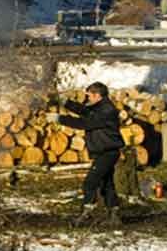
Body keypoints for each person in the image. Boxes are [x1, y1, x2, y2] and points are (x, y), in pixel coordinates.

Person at [46, 82, 123, 224]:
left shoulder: (107, 111)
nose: (88, 99)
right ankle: (114, 216)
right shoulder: (100, 107)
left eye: (89, 96)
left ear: (97, 95)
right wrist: (65, 102)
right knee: (107, 184)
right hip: (104, 152)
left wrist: (59, 118)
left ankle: (87, 213)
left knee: (90, 182)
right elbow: (84, 110)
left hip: (108, 152)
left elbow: (85, 123)